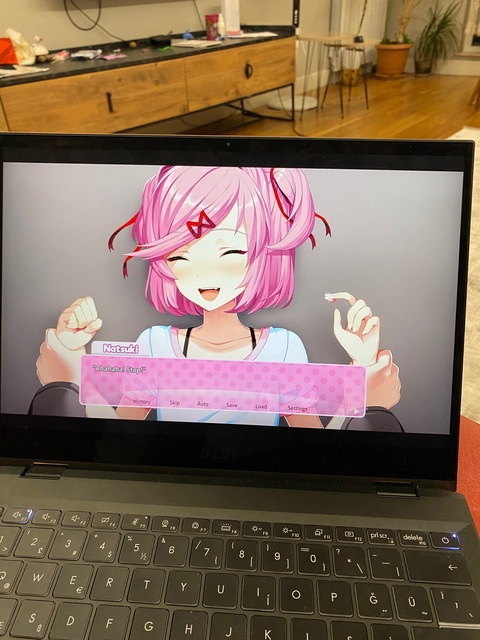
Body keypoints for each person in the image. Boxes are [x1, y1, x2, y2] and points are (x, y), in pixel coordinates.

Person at [36, 166, 400, 427]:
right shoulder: (154, 344)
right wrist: (74, 370)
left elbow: (315, 451)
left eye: (231, 252)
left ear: (265, 255)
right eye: (179, 257)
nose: (203, 275)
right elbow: (118, 438)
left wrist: (363, 373)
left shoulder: (284, 348)